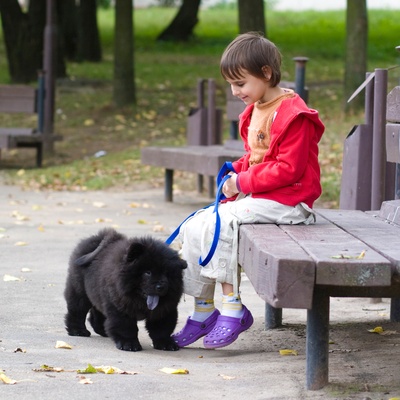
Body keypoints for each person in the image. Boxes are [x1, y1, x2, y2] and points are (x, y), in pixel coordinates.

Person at [172, 32, 325, 349]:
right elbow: (257, 158)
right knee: (196, 223)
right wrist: (236, 170)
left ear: (266, 73)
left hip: (291, 203)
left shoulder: (293, 115)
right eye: (231, 84)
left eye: (240, 83)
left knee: (223, 222)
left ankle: (233, 307)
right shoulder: (256, 109)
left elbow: (288, 169)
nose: (234, 91)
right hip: (265, 199)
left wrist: (241, 183)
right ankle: (203, 309)